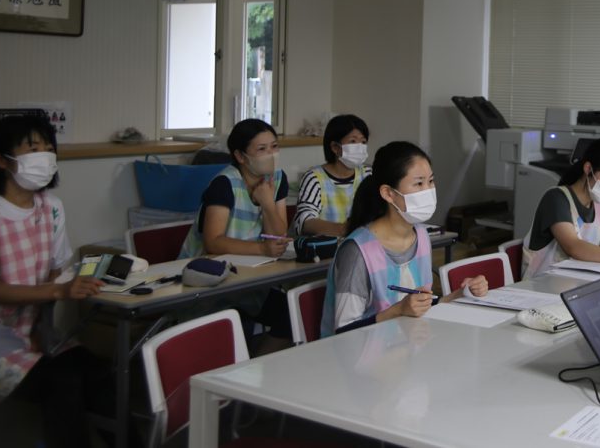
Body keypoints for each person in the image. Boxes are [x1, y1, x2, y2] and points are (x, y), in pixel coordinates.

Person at [0, 115, 109, 447]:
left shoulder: (51, 208)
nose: (44, 156)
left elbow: (55, 270)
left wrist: (42, 327)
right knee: (62, 382)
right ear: (1, 160)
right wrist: (59, 290)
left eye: (49, 148)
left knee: (99, 372)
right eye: (32, 148)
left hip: (34, 329)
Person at [321, 141, 487, 337]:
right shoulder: (357, 251)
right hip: (364, 351)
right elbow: (343, 332)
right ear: (388, 193)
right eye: (418, 183)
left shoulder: (421, 236)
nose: (428, 190)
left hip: (408, 345)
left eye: (431, 181)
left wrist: (462, 293)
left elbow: (420, 305)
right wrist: (398, 310)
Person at [178, 119, 292, 347]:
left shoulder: (277, 178)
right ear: (240, 156)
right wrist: (262, 249)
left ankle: (260, 363)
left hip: (248, 278)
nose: (271, 154)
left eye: (274, 146)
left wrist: (268, 204)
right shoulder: (224, 184)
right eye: (262, 149)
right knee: (235, 326)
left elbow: (278, 234)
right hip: (207, 280)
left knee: (291, 315)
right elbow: (213, 242)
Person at [522, 137, 600, 279]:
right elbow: (573, 246)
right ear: (588, 168)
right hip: (541, 285)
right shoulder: (556, 198)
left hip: (575, 284)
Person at [294, 114, 370, 237]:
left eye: (363, 142)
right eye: (353, 141)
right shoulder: (314, 178)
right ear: (335, 147)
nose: (360, 147)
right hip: (326, 247)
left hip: (362, 244)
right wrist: (344, 230)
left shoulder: (368, 174)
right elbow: (304, 222)